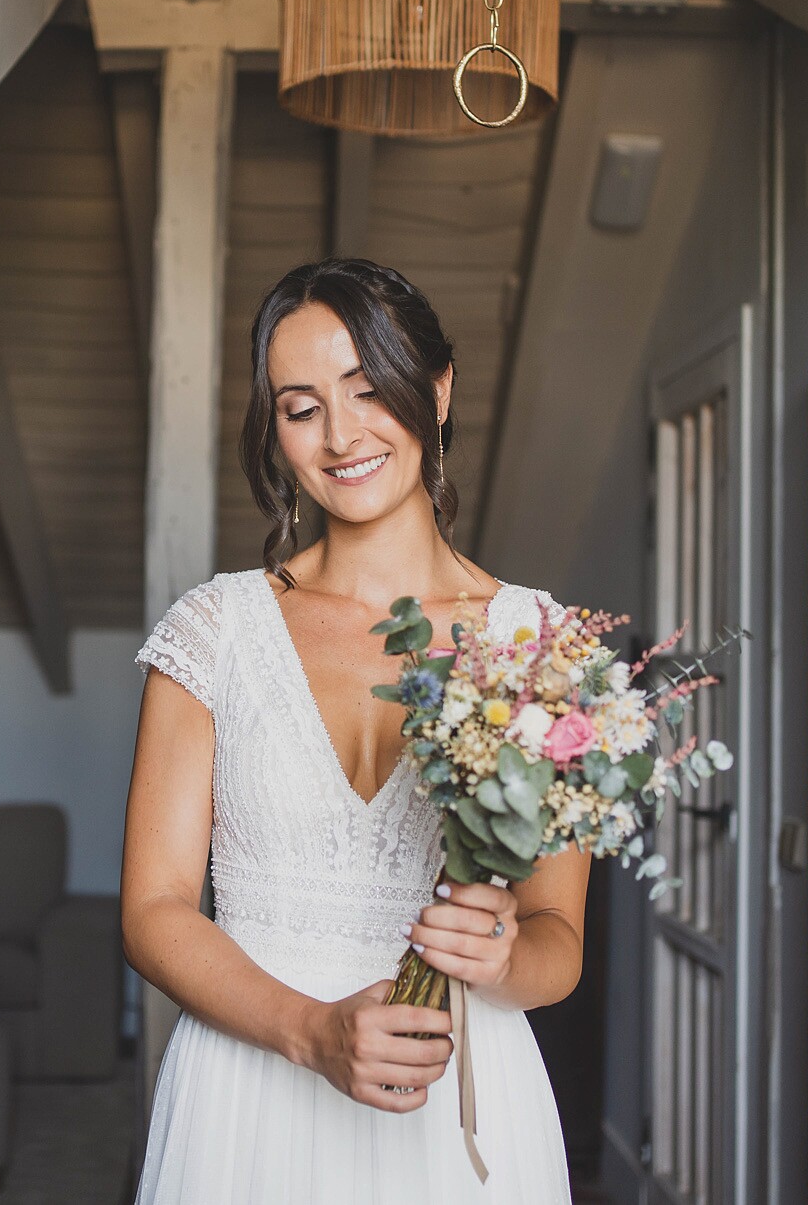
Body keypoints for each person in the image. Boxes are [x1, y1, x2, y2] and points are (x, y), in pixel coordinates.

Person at [121, 259, 583, 1203]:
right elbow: (153, 910)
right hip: (247, 1098)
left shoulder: (537, 644)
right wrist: (311, 1031)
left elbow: (559, 940)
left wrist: (502, 955)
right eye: (301, 408)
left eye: (368, 389)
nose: (340, 435)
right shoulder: (214, 631)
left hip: (458, 1102)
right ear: (274, 429)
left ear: (439, 390)